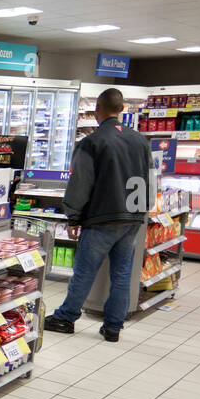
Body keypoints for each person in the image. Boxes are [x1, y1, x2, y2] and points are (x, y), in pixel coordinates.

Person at [43, 88, 153, 343]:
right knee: (122, 273)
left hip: (102, 217)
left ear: (96, 111)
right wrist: (141, 214)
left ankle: (66, 317)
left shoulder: (91, 143)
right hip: (132, 218)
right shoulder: (140, 141)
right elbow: (149, 179)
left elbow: (80, 183)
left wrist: (73, 216)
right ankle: (113, 327)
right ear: (122, 109)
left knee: (84, 271)